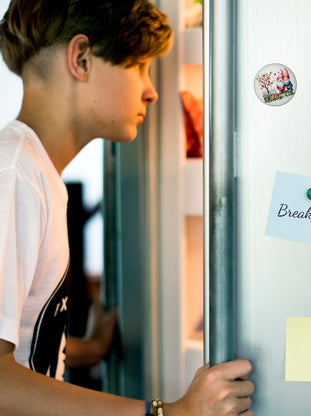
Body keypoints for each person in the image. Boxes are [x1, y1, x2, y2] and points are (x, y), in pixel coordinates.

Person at [0, 1, 254, 415]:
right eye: (140, 67)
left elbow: (24, 349)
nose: (150, 90)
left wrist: (84, 350)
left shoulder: (34, 172)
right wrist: (169, 413)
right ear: (81, 59)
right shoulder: (14, 174)